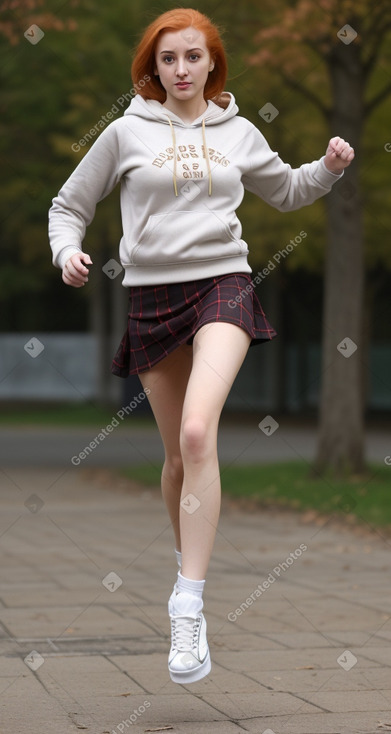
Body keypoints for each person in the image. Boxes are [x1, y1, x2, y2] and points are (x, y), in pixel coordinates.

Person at [48, 7, 354, 685]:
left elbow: (287, 189)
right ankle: (187, 567)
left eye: (193, 57)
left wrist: (328, 167)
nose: (181, 70)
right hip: (152, 296)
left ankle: (188, 602)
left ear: (211, 62)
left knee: (196, 433)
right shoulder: (125, 133)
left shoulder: (238, 131)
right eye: (168, 59)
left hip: (223, 283)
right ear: (152, 68)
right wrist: (67, 250)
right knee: (174, 460)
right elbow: (69, 205)